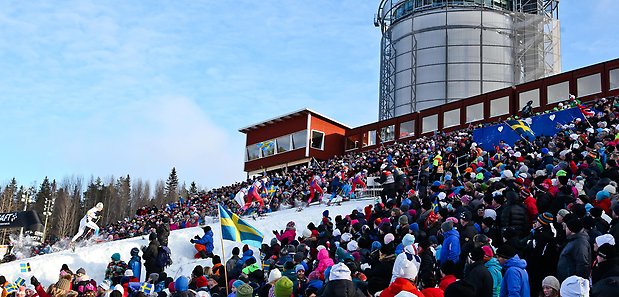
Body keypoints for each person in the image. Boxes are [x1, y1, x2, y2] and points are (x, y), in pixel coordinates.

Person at [557, 215, 591, 282]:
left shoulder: (580, 243)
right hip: (568, 280)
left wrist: (577, 282)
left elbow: (582, 264)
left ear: (570, 229)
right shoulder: (574, 240)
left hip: (572, 282)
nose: (565, 229)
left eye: (566, 227)